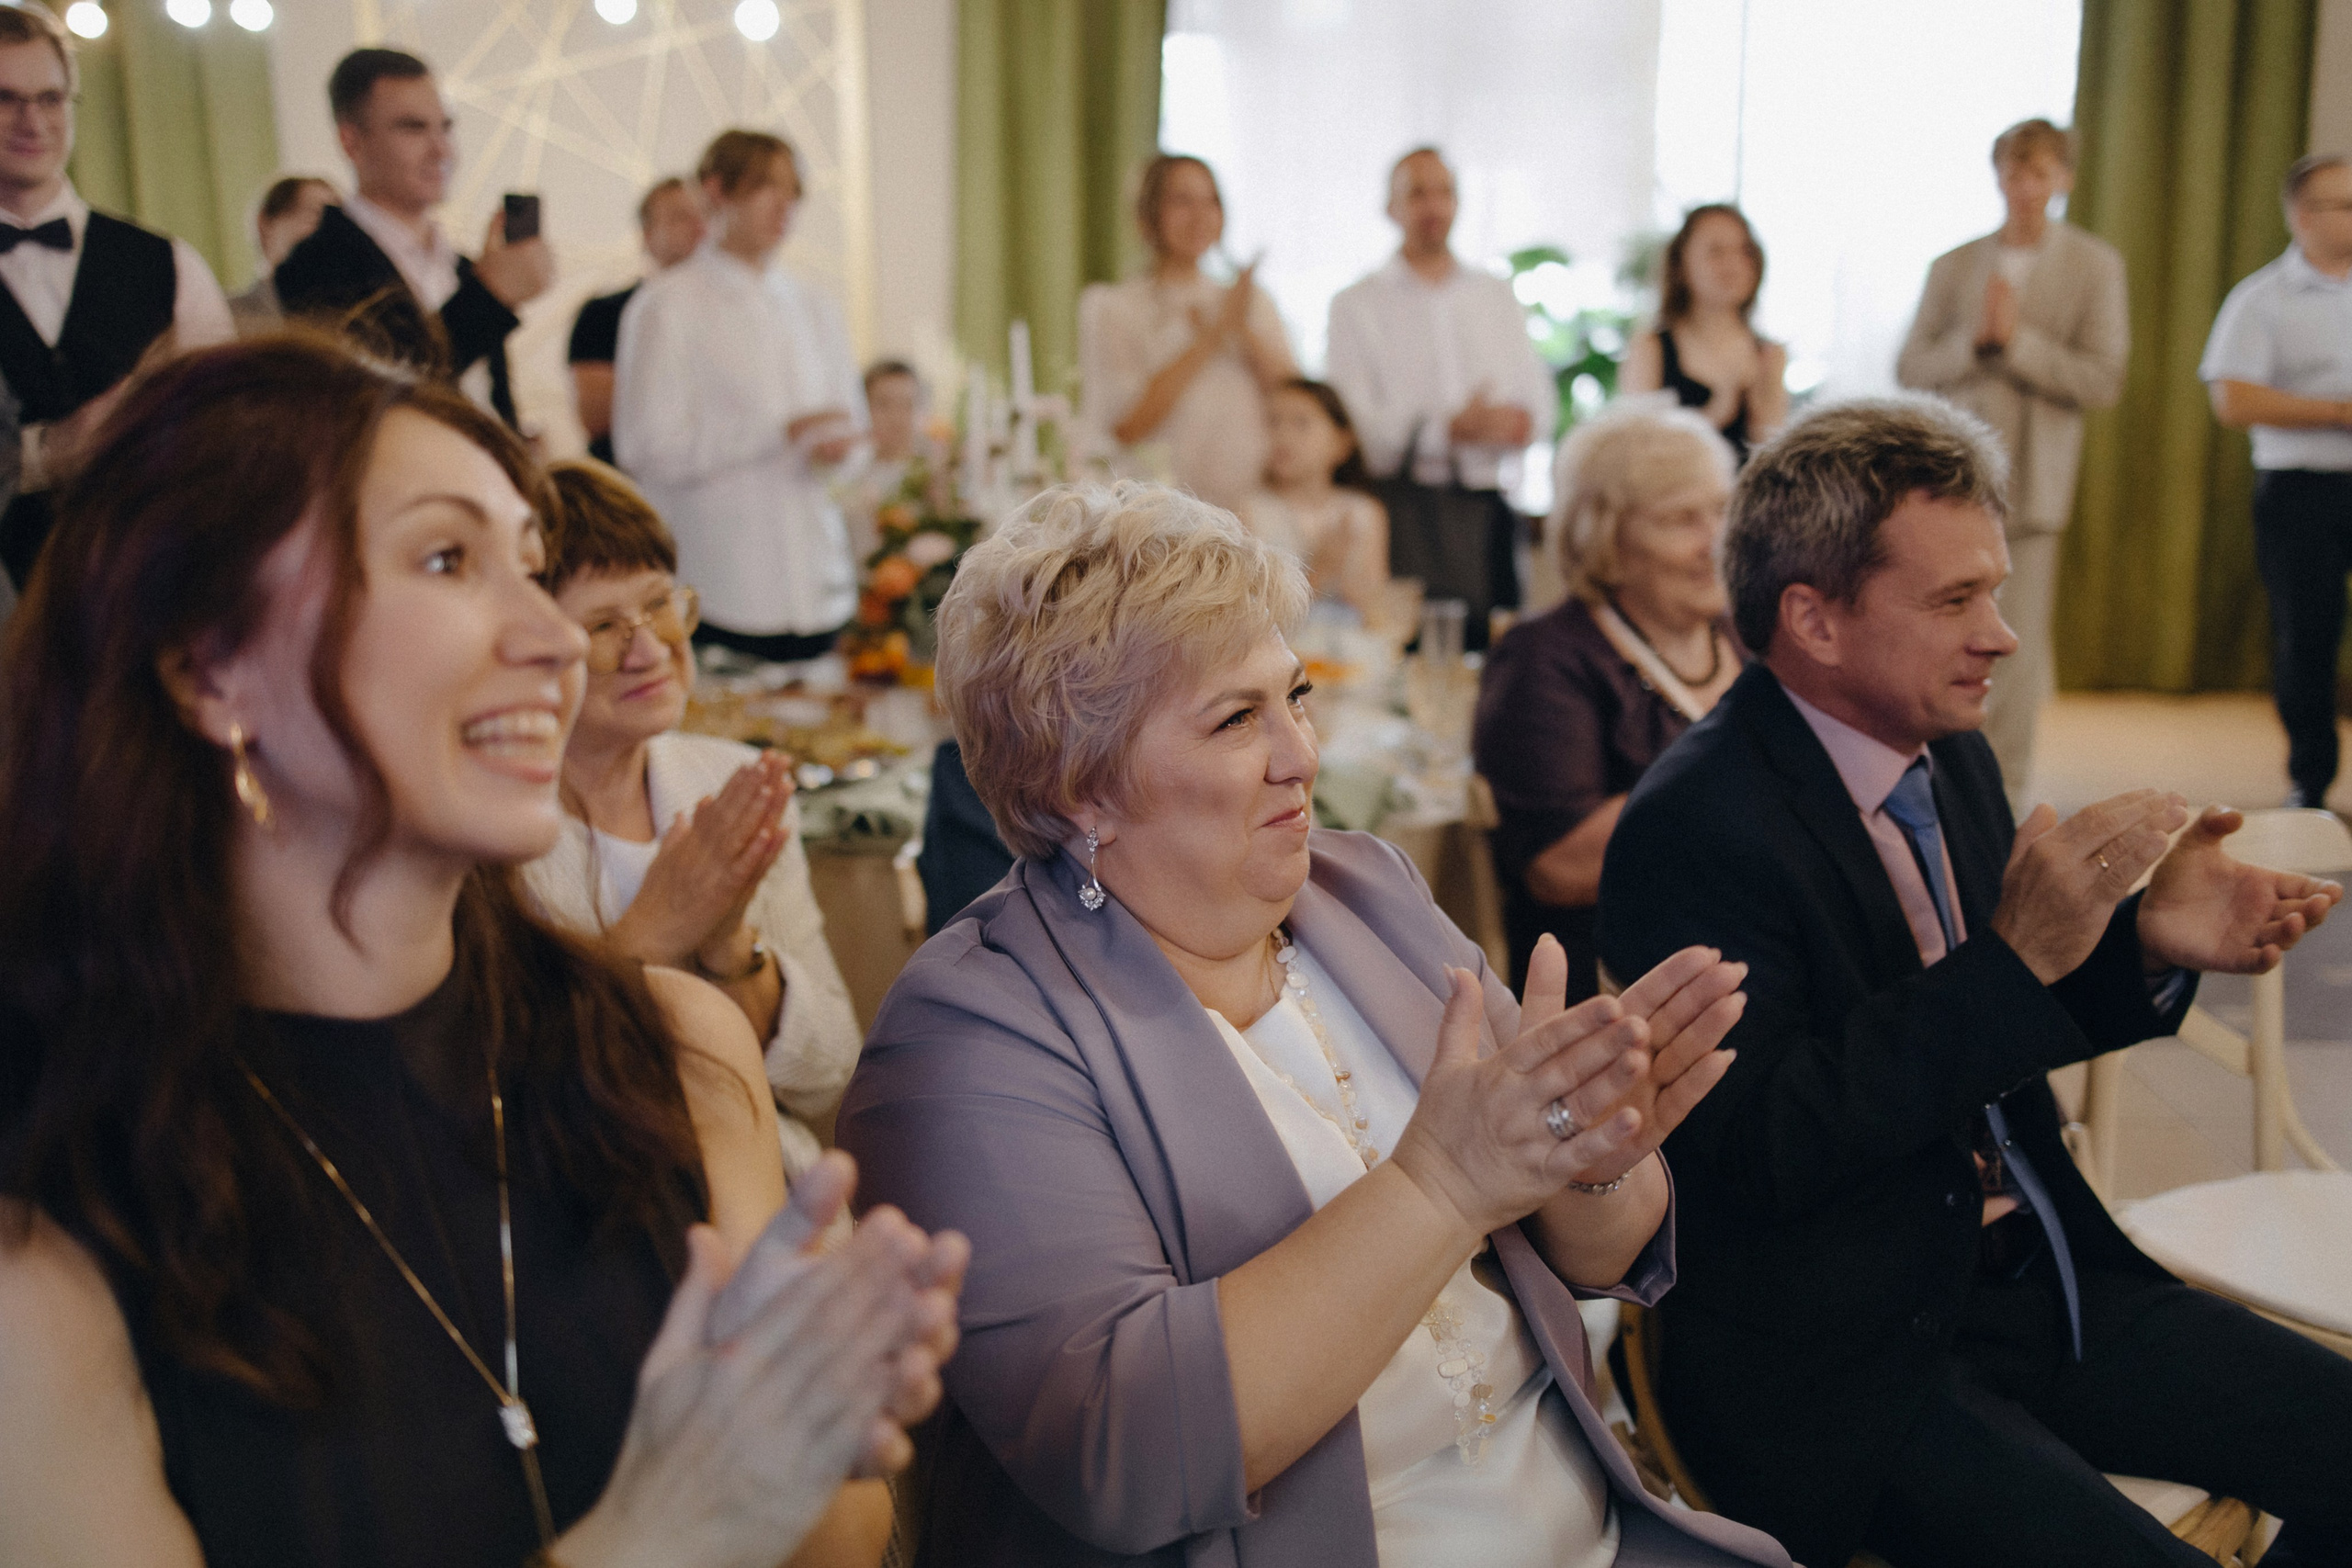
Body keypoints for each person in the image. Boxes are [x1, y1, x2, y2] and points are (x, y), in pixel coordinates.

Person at [0, 334, 967, 1566]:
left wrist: (808, 1419)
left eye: (531, 565)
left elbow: (844, 1537)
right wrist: (671, 1522)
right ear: (211, 668)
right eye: (448, 559)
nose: (556, 642)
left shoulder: (673, 1051)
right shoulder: (55, 1220)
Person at [838, 481, 1792, 1568]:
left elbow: (1604, 1256)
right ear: (1076, 789)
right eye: (1237, 719)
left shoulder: (1368, 889)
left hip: (1589, 1523)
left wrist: (1593, 1162)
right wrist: (1446, 1184)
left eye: (1294, 697)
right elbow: (1125, 1454)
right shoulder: (965, 1038)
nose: (1301, 753)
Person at [1598, 396, 2352, 1568]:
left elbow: (1995, 1021)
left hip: (2035, 1279)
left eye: (1992, 592)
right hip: (1844, 1351)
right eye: (1954, 601)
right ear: (1814, 620)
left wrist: (2145, 946)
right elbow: (1766, 1146)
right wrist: (2017, 958)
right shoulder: (1696, 826)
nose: (1999, 635)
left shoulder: (1948, 753)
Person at [520, 459, 862, 1179]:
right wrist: (653, 932)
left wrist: (730, 947)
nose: (650, 649)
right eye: (604, 626)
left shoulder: (729, 780)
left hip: (773, 1176)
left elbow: (830, 1070)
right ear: (531, 646)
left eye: (659, 605)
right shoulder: (497, 832)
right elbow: (517, 1102)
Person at [1474, 403, 1740, 997]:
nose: (1717, 543)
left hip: (1754, 951)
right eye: (1681, 519)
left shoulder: (1746, 636)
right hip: (1620, 983)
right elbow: (1559, 865)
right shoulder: (1545, 657)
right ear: (1605, 536)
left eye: (1723, 510)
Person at [1898, 118, 2128, 805]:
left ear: (2064, 179)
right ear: (1997, 175)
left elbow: (2103, 378)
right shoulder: (1953, 264)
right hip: (1950, 480)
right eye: (2014, 171)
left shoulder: (2094, 265)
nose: (2025, 186)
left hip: (2034, 483)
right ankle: (1937, 782)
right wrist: (1977, 343)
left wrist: (2016, 343)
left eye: (2040, 173)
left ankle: (2004, 798)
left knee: (2013, 648)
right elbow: (1911, 366)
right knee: (1943, 633)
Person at [0, 1, 234, 588]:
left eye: (50, 99)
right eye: (5, 99)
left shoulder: (167, 262)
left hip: (146, 587)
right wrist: (45, 454)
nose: (32, 121)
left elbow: (226, 428)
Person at [615, 129, 864, 666]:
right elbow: (647, 447)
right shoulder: (666, 305)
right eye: (766, 187)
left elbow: (850, 429)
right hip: (726, 588)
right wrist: (777, 433)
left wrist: (839, 451)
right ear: (716, 190)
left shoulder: (816, 307)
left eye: (793, 192)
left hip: (820, 585)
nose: (785, 205)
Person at [1327, 147, 1555, 649]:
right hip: (1404, 514)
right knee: (1405, 653)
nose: (1432, 205)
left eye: (1444, 192)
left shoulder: (1495, 296)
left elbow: (1539, 404)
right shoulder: (1356, 304)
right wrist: (1445, 429)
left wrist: (1514, 423)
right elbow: (1353, 426)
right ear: (1391, 207)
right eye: (1417, 193)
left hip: (1489, 514)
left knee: (1498, 655)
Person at [275, 48, 554, 428]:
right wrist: (490, 295)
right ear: (351, 142)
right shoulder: (315, 266)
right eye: (413, 128)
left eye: (445, 128)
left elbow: (490, 399)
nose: (441, 150)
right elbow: (376, 398)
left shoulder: (460, 266)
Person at [2201, 151, 2352, 810]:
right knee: (2307, 635)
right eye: (2345, 205)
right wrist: (2339, 413)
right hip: (2300, 488)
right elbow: (2233, 399)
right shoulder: (2261, 299)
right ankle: (2311, 782)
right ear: (2301, 215)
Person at [1079, 153, 1295, 511]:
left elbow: (1296, 401)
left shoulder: (1249, 300)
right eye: (1182, 201)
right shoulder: (1113, 307)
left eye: (1211, 201)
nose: (1200, 215)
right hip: (1157, 509)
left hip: (1249, 507)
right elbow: (1126, 425)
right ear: (1149, 212)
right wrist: (1212, 335)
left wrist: (1241, 329)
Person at [1622, 205, 1788, 466]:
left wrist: (1761, 407)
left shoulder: (1769, 354)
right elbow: (1638, 451)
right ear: (1681, 264)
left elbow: (1771, 459)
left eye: (1744, 251)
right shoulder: (1651, 347)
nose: (1733, 264)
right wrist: (1719, 409)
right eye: (1716, 251)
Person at [569, 176, 705, 465]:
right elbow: (597, 416)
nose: (698, 227)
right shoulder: (604, 313)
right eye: (680, 217)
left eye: (704, 215)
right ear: (647, 235)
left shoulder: (740, 317)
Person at [1241, 378, 1390, 622]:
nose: (1283, 435)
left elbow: (1377, 609)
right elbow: (1258, 612)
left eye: (1301, 423)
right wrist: (1322, 568)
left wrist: (1357, 592)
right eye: (1273, 422)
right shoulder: (1252, 511)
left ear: (1341, 443)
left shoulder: (1364, 512)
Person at [836, 359, 943, 567]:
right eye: (884, 405)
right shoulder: (848, 479)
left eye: (907, 405)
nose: (896, 416)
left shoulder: (936, 473)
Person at [227, 175, 339, 334]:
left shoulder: (349, 316)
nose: (330, 235)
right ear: (264, 223)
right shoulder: (228, 315)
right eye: (314, 217)